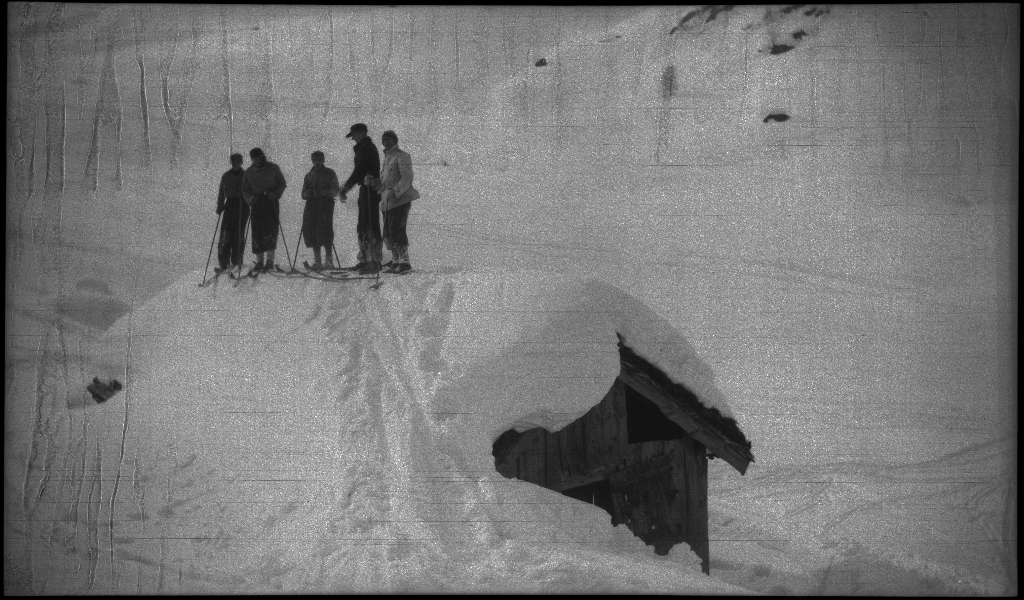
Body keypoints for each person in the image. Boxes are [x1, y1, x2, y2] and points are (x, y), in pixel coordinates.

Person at [369, 130, 419, 274]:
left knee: (397, 229)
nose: (386, 142)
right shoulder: (386, 158)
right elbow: (385, 182)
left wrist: (396, 191)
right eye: (384, 140)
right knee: (389, 231)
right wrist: (373, 182)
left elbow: (407, 178)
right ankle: (396, 260)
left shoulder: (402, 156)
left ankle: (404, 261)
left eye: (389, 139)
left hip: (400, 200)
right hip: (387, 202)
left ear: (395, 140)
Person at [339, 123, 382, 274]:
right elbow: (359, 172)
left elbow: (359, 171)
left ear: (362, 133)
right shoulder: (362, 147)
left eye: (355, 135)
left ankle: (374, 261)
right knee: (363, 225)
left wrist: (345, 188)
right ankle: (365, 259)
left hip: (371, 188)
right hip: (365, 188)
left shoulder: (367, 147)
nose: (353, 139)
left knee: (370, 225)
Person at [241, 147, 287, 273]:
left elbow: (282, 183)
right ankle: (259, 261)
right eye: (255, 158)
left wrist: (276, 193)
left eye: (260, 157)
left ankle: (270, 260)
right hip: (257, 203)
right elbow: (245, 189)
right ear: (252, 159)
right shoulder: (249, 172)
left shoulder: (273, 168)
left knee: (271, 230)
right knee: (257, 231)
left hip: (271, 202)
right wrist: (250, 198)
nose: (258, 159)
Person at [300, 150, 342, 270]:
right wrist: (308, 193)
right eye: (315, 160)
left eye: (319, 160)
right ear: (312, 161)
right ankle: (317, 261)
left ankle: (329, 260)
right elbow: (303, 194)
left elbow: (335, 190)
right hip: (311, 205)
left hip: (325, 205)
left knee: (325, 230)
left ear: (323, 160)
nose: (317, 162)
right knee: (311, 230)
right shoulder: (308, 176)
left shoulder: (330, 173)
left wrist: (323, 192)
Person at [215, 153, 251, 273]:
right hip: (230, 205)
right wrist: (220, 205)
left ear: (241, 162)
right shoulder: (226, 176)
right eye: (233, 161)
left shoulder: (246, 175)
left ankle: (236, 261)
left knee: (238, 234)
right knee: (225, 234)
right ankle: (223, 263)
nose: (235, 163)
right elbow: (221, 191)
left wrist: (249, 200)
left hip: (242, 205)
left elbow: (250, 190)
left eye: (238, 161)